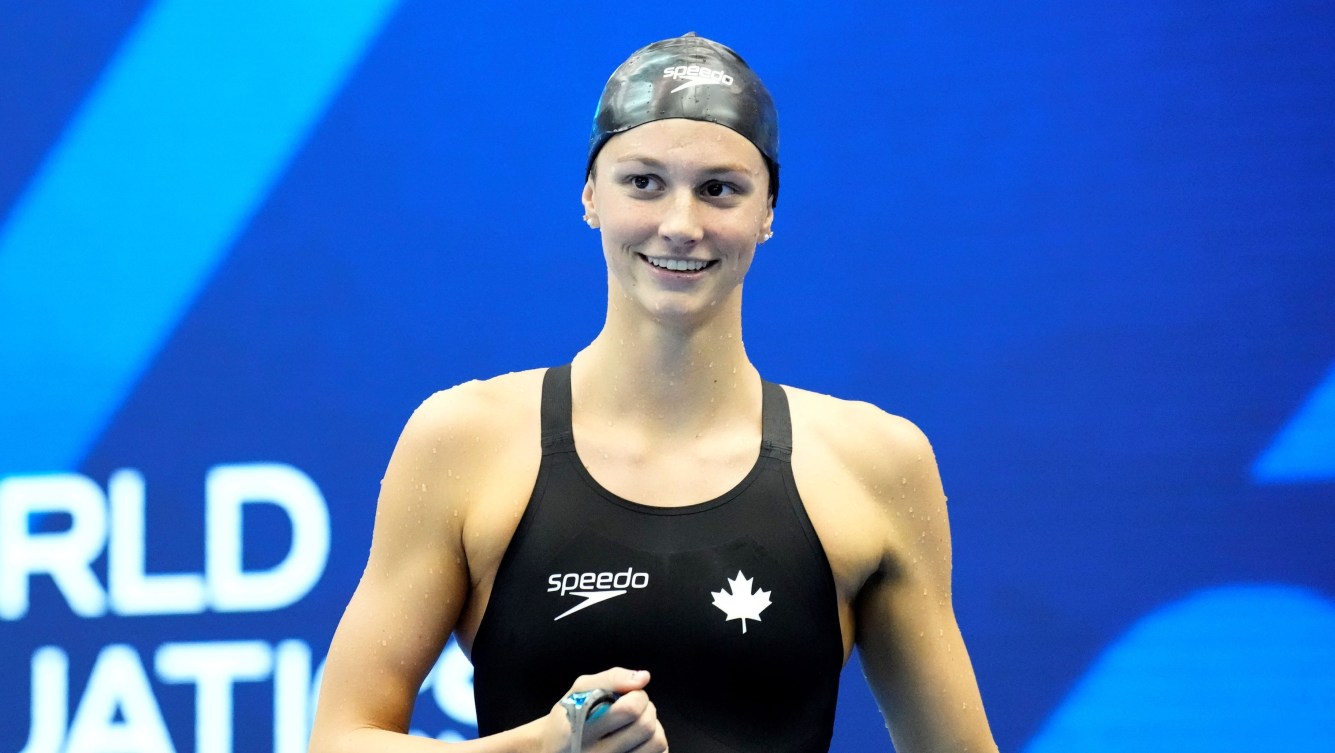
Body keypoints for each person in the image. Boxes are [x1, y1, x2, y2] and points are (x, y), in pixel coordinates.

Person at [308, 33, 997, 753]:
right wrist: (541, 747)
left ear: (767, 211)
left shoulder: (874, 462)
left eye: (719, 189)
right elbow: (339, 739)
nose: (680, 224)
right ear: (589, 197)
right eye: (643, 181)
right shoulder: (465, 441)